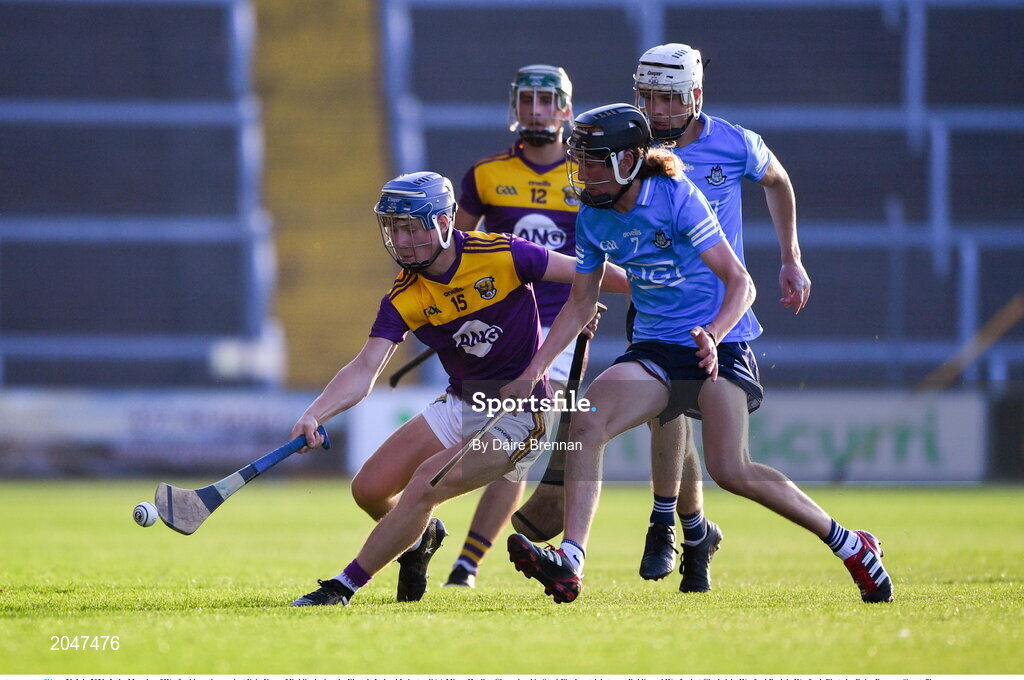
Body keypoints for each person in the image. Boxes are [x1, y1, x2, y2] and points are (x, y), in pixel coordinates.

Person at [501, 104, 893, 605]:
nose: (583, 171)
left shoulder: (676, 195)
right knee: (587, 422)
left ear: (627, 161)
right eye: (580, 159)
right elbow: (580, 304)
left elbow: (741, 282)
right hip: (657, 351)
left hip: (719, 343)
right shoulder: (593, 216)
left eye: (593, 160)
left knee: (731, 469)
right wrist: (533, 370)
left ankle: (849, 543)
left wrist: (712, 332)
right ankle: (572, 561)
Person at [288, 171, 629, 607]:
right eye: (394, 227)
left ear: (445, 223)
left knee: (423, 487)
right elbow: (366, 366)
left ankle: (343, 586)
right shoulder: (405, 294)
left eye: (412, 226)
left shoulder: (501, 252)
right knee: (369, 490)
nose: (402, 238)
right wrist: (316, 412)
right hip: (461, 404)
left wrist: (630, 295)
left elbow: (593, 275)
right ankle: (418, 540)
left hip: (521, 414)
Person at [627, 43, 813, 591]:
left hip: (719, 313)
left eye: (669, 97)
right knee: (664, 413)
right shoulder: (630, 148)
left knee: (715, 450)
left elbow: (778, 181)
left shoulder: (734, 143)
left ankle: (682, 527)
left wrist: (791, 258)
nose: (657, 110)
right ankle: (676, 525)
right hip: (657, 302)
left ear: (696, 97)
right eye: (647, 97)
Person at [443, 64, 585, 588]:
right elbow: (454, 252)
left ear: (565, 109)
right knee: (474, 438)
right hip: (499, 329)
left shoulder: (587, 174)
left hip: (562, 330)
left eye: (547, 101)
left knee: (513, 447)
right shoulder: (484, 175)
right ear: (515, 106)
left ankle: (467, 563)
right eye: (527, 100)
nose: (536, 110)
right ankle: (430, 532)